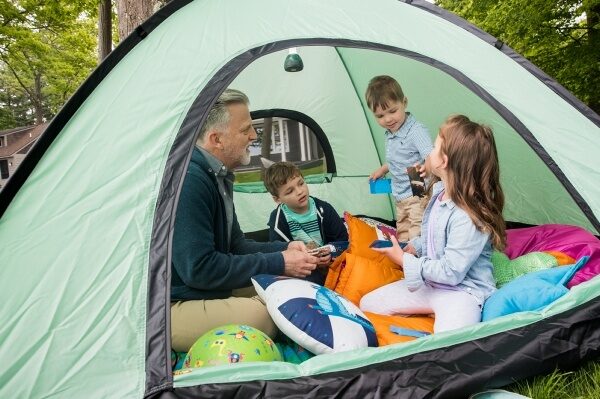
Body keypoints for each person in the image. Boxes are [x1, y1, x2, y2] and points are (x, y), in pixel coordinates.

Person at [171, 89, 319, 352]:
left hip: (205, 289)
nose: (253, 136)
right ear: (216, 139)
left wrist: (286, 250)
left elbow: (235, 245)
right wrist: (280, 262)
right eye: (246, 130)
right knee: (266, 315)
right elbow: (200, 269)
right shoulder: (190, 181)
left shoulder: (218, 176)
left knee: (290, 291)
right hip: (173, 304)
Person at [360, 115, 505, 333]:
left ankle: (436, 319)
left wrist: (404, 260)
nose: (429, 151)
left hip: (463, 291)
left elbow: (451, 272)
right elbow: (434, 236)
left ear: (443, 161)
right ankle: (427, 312)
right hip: (432, 285)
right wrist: (414, 247)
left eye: (435, 146)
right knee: (368, 305)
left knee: (449, 340)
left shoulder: (468, 217)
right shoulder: (439, 194)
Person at [366, 75, 434, 241]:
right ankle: (404, 258)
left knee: (417, 231)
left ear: (404, 103)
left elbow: (431, 155)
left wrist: (427, 168)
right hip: (400, 193)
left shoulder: (415, 131)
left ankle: (419, 260)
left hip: (417, 186)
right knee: (403, 231)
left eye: (392, 111)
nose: (388, 119)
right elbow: (396, 158)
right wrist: (383, 169)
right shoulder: (390, 133)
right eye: (380, 116)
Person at [264, 161, 349, 284]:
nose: (300, 191)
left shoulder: (324, 209)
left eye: (301, 183)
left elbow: (343, 240)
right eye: (290, 191)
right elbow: (278, 252)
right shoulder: (278, 219)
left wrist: (331, 253)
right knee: (309, 281)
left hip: (332, 263)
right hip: (303, 268)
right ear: (277, 199)